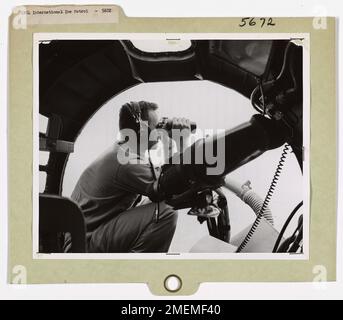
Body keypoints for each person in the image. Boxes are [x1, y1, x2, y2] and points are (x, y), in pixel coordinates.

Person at [64, 101, 192, 253]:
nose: (161, 131)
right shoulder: (125, 160)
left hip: (87, 237)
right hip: (83, 246)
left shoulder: (123, 152)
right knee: (165, 210)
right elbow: (169, 187)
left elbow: (164, 180)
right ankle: (138, 270)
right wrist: (181, 141)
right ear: (142, 131)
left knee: (154, 202)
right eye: (157, 126)